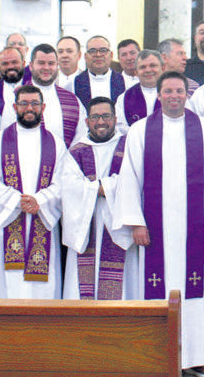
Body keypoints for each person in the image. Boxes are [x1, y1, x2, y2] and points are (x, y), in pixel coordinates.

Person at [112, 71, 204, 376]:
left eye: (179, 91)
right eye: (167, 91)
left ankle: (195, 356)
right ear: (158, 95)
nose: (174, 96)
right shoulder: (142, 130)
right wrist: (136, 223)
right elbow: (130, 178)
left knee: (195, 294)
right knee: (157, 293)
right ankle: (158, 356)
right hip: (154, 231)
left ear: (187, 94)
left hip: (193, 229)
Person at [0, 84, 68, 299]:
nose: (29, 108)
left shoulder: (56, 143)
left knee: (43, 292)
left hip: (43, 220)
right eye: (24, 103)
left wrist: (40, 200)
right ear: (14, 107)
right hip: (8, 221)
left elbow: (63, 182)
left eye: (35, 103)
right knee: (6, 288)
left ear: (43, 107)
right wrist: (17, 201)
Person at [62, 96, 129, 300]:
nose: (101, 122)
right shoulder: (76, 151)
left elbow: (133, 180)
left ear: (115, 118)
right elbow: (68, 187)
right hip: (86, 226)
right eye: (96, 117)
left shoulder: (128, 146)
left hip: (118, 227)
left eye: (106, 116)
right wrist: (103, 188)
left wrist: (98, 187)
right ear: (87, 121)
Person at [26, 44, 87, 148]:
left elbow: (82, 135)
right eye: (41, 63)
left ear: (57, 66)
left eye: (51, 63)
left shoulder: (72, 100)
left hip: (65, 161)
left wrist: (67, 160)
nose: (46, 67)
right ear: (31, 66)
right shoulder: (17, 97)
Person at [115, 49, 163, 135]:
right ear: (136, 72)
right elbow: (120, 127)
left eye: (153, 65)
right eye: (142, 67)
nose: (148, 70)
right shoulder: (124, 98)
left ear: (163, 68)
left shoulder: (174, 94)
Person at [73, 35, 127, 106]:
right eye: (92, 51)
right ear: (85, 56)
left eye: (103, 50)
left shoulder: (123, 81)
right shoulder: (75, 82)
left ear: (111, 55)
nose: (98, 55)